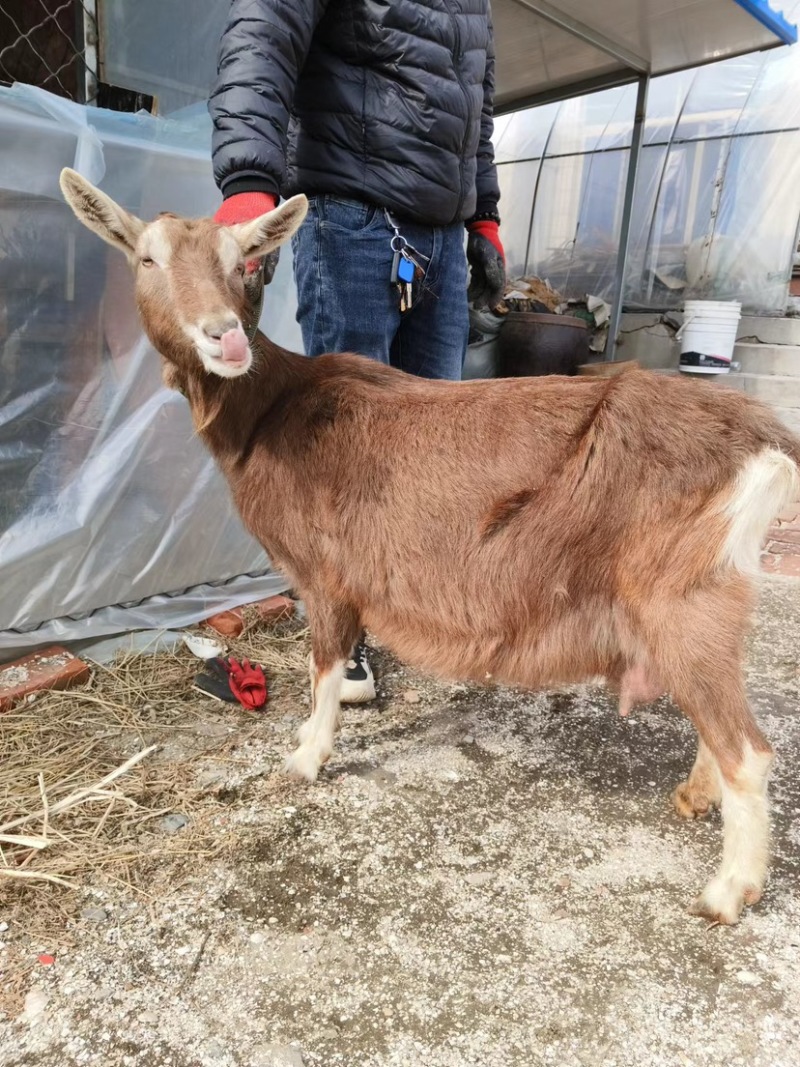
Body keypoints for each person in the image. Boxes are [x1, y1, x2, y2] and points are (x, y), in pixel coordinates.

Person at [209, 0, 506, 703]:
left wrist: (484, 212)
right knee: (347, 449)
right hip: (353, 219)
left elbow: (476, 107)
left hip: (442, 233)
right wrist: (252, 181)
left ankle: (415, 615)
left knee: (438, 448)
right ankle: (340, 640)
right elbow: (266, 27)